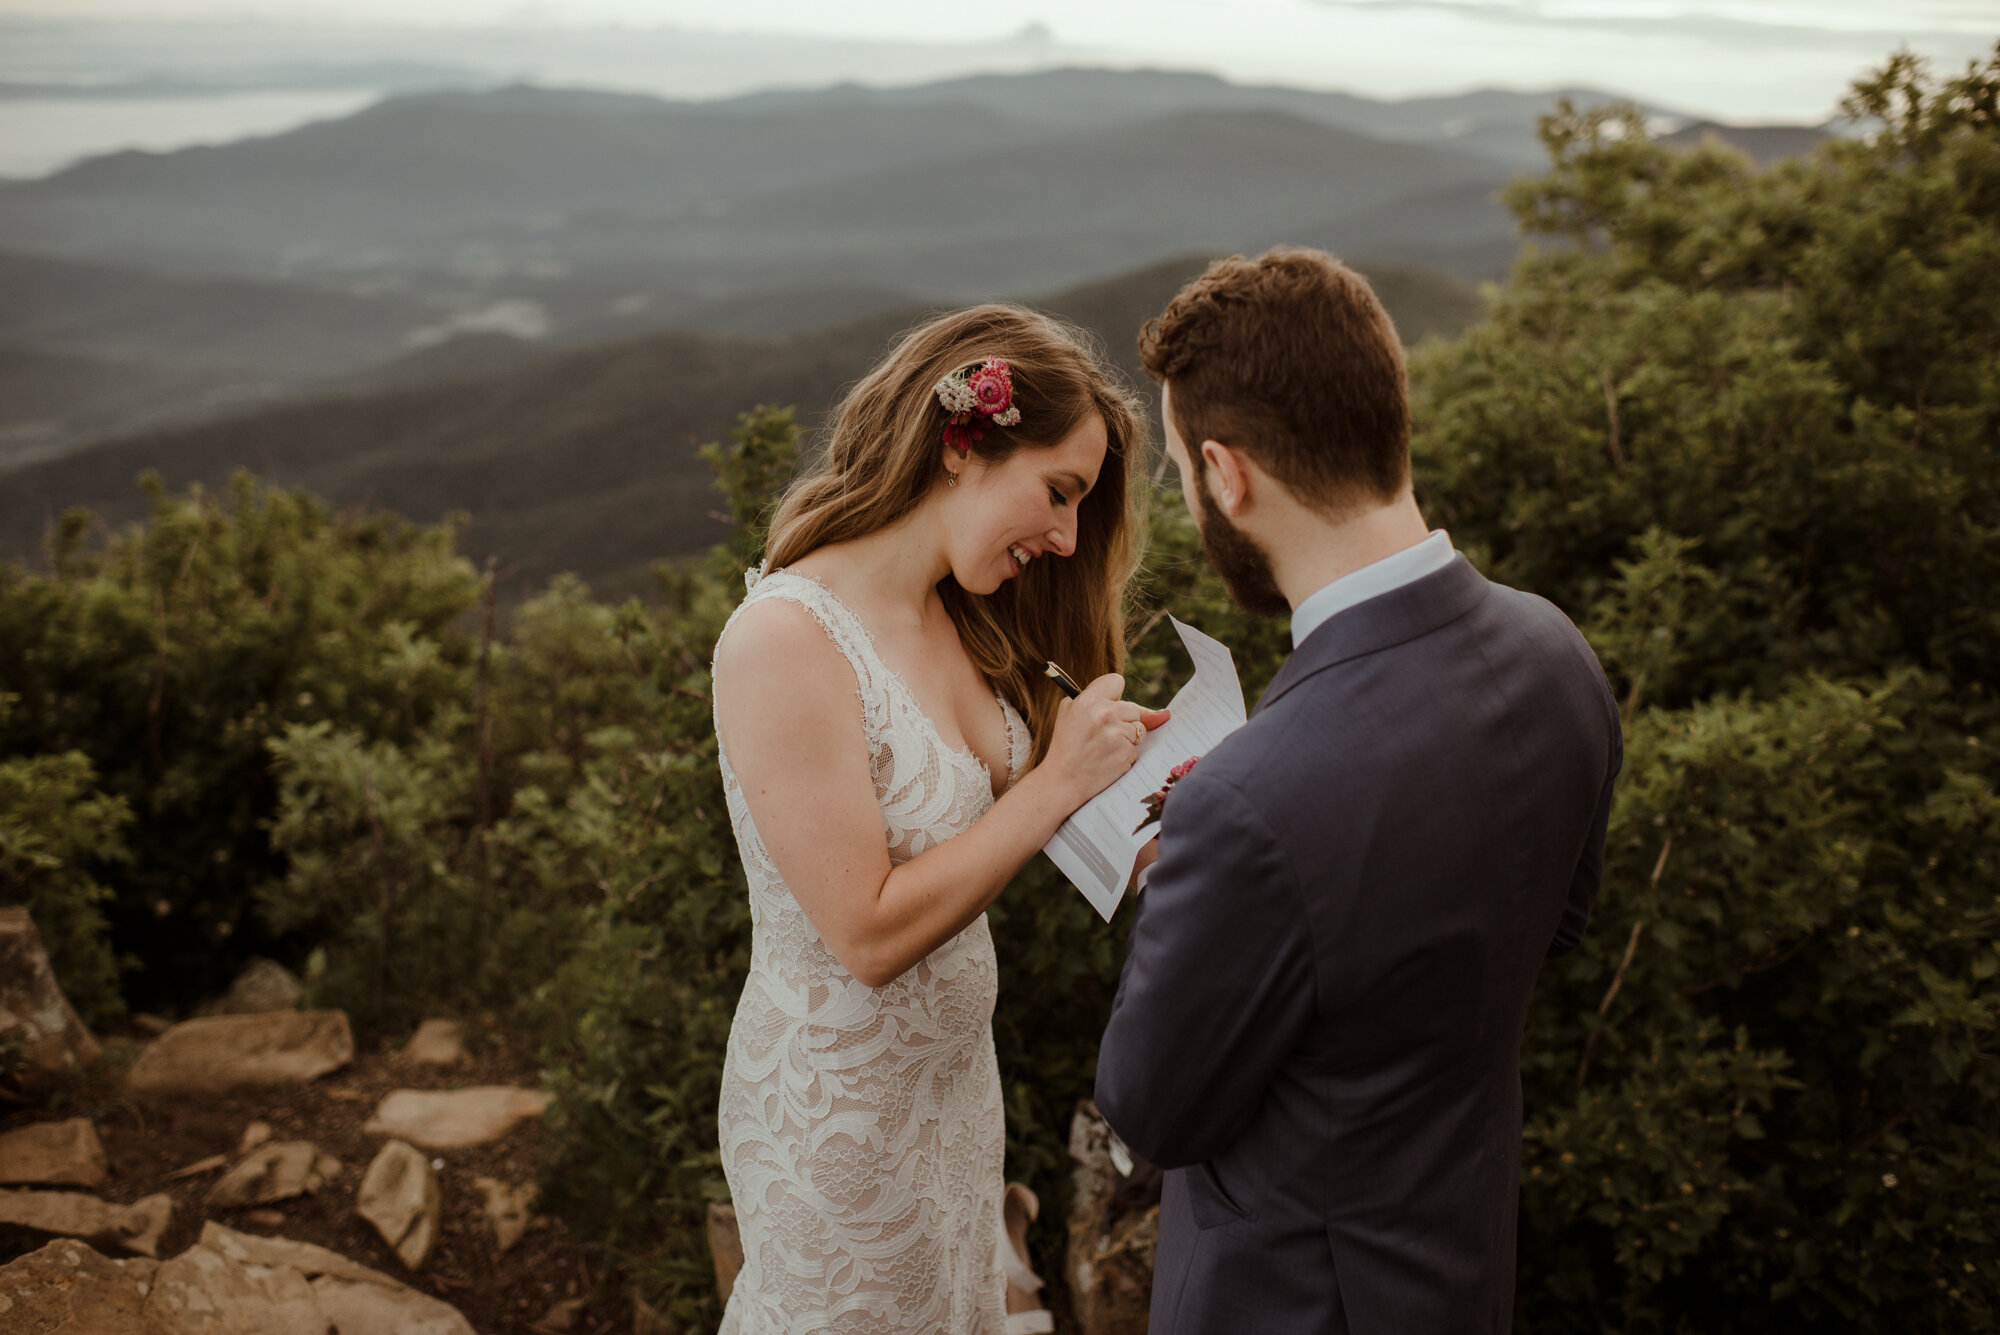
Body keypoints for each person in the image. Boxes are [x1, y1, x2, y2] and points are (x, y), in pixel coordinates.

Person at [1095, 248, 1622, 1333]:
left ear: (1225, 473)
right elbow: (1547, 927)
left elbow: (1151, 1109)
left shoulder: (1242, 803)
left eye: (1187, 483)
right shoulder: (1554, 654)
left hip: (1288, 1300)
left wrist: (1172, 875)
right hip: (1458, 1264)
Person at [710, 305, 1168, 1334]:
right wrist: (1055, 781)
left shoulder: (959, 619)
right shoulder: (782, 640)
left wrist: (1148, 808)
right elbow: (866, 932)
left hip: (954, 1106)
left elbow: (992, 833)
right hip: (840, 1126)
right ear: (963, 440)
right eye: (1057, 493)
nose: (1061, 538)